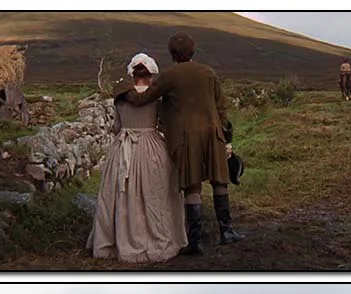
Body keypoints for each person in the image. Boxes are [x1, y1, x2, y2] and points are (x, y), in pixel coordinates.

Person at [115, 32, 241, 254]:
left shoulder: (169, 76)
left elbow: (144, 98)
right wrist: (226, 137)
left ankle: (194, 241)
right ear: (192, 51)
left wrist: (122, 91)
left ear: (172, 53)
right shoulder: (208, 72)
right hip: (213, 133)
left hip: (186, 137)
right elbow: (221, 107)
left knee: (192, 185)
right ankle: (227, 231)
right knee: (219, 181)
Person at [88, 53, 187, 263]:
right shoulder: (157, 98)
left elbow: (116, 127)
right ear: (151, 76)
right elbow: (164, 124)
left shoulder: (121, 98)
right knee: (155, 193)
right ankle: (155, 238)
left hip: (124, 146)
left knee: (120, 194)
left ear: (132, 75)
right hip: (151, 146)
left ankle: (117, 239)